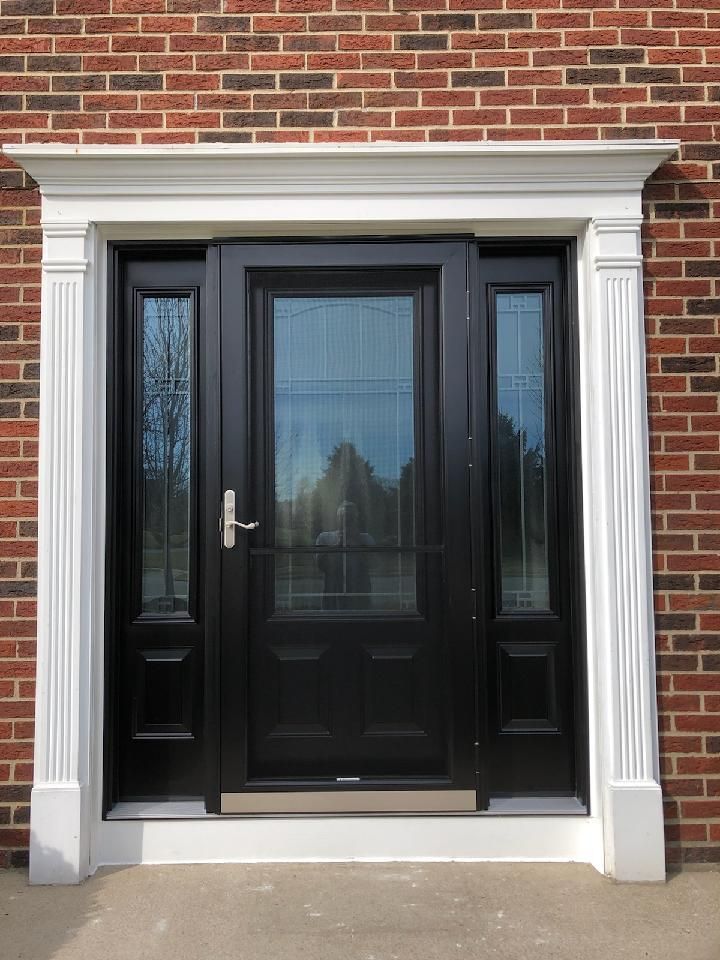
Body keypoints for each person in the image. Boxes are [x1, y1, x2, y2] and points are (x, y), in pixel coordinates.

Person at [315, 501, 374, 610]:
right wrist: (338, 545)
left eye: (351, 516)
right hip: (332, 594)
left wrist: (357, 544)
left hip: (360, 594)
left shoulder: (366, 538)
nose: (347, 520)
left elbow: (373, 564)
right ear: (337, 518)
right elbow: (320, 566)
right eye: (343, 516)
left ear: (357, 519)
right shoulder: (324, 537)